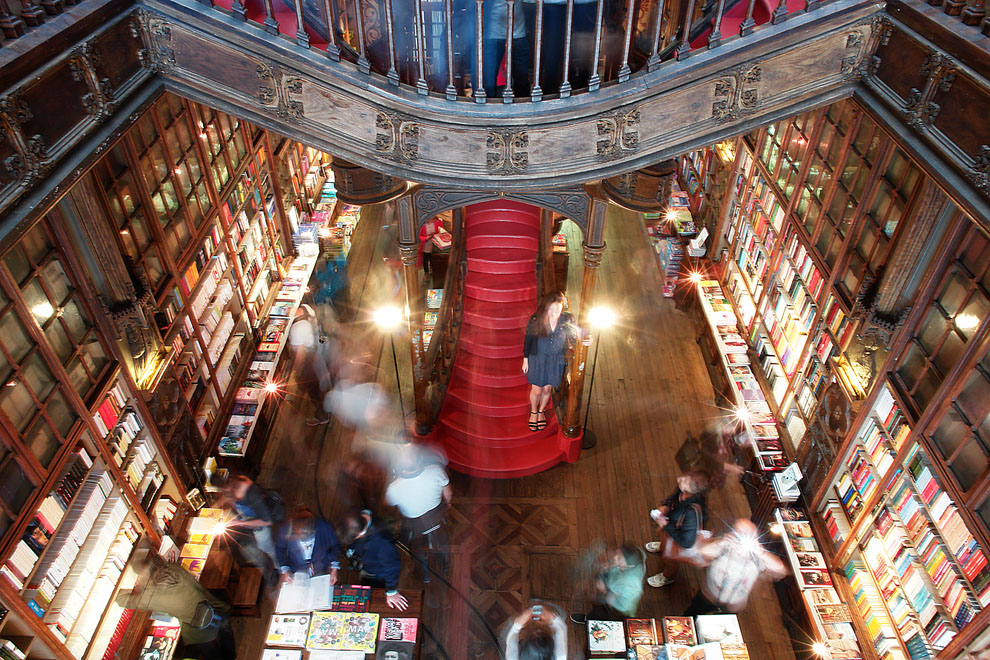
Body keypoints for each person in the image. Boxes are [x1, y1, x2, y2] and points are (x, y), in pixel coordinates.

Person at [684, 518, 788, 615]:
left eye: (748, 535)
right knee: (691, 615)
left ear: (756, 537)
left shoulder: (758, 557)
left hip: (733, 605)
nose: (743, 538)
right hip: (708, 596)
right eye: (740, 532)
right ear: (733, 533)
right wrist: (723, 542)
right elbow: (702, 552)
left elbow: (781, 571)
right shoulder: (725, 546)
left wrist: (761, 552)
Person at [522, 292, 590, 432]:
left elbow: (578, 333)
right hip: (538, 358)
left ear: (562, 307)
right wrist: (525, 359)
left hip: (555, 360)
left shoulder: (567, 319)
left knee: (547, 389)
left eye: (557, 309)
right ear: (546, 307)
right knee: (536, 390)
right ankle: (534, 412)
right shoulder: (536, 319)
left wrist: (588, 338)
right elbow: (528, 339)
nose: (554, 312)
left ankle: (541, 411)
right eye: (551, 309)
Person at [385, 444, 452, 582]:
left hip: (414, 524)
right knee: (442, 542)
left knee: (417, 548)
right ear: (420, 459)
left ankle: (425, 575)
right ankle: (445, 565)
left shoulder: (394, 487)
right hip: (437, 517)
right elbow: (448, 494)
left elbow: (389, 505)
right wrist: (447, 504)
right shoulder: (436, 471)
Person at [645, 471, 710, 588]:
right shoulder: (683, 491)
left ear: (693, 491)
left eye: (685, 481)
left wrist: (666, 525)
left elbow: (687, 542)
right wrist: (666, 506)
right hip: (672, 529)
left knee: (670, 560)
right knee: (665, 545)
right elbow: (673, 498)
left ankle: (668, 576)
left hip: (679, 538)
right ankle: (662, 546)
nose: (680, 479)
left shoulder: (692, 513)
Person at [340, 509, 409, 611]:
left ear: (360, 534)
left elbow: (392, 566)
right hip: (366, 562)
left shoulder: (382, 542)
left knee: (374, 597)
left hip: (377, 572)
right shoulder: (359, 519)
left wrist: (391, 591)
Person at [569, 544, 646, 624]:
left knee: (603, 617)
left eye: (619, 558)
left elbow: (622, 606)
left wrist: (604, 590)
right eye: (617, 554)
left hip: (616, 610)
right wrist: (611, 567)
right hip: (610, 587)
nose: (615, 558)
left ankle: (590, 621)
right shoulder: (637, 555)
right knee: (597, 610)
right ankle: (589, 618)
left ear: (630, 566)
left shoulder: (630, 585)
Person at [223, 475, 279, 573]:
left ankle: (278, 566)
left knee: (267, 548)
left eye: (234, 495)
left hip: (261, 529)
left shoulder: (254, 498)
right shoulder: (240, 485)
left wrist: (241, 522)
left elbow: (267, 521)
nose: (234, 498)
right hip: (250, 524)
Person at [276, 508, 343, 584]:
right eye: (296, 534)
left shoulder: (325, 526)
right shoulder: (284, 529)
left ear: (313, 531)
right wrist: (285, 569)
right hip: (296, 570)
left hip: (322, 566)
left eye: (304, 536)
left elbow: (336, 546)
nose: (298, 537)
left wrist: (334, 568)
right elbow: (280, 549)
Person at [483, 0, 531, 99]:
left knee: (521, 77)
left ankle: (523, 107)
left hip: (517, 33)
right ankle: (488, 108)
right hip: (493, 35)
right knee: (488, 79)